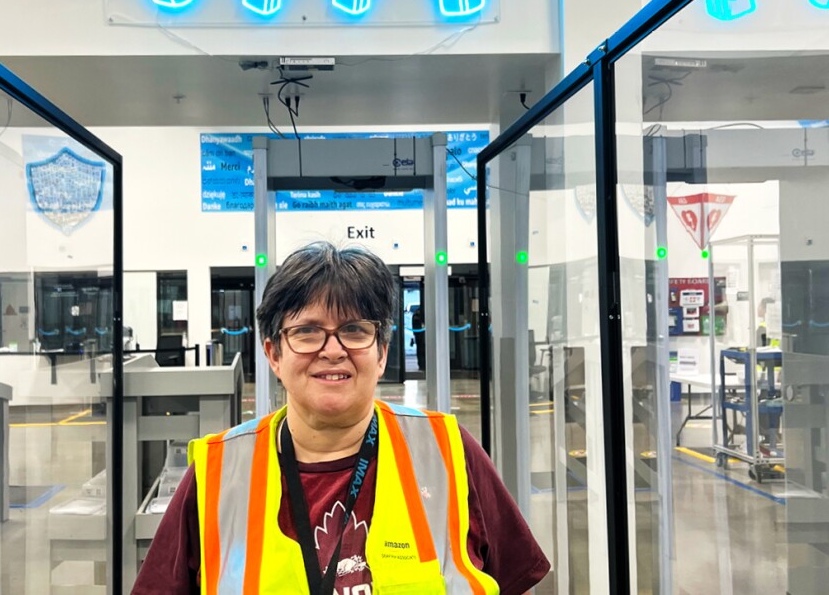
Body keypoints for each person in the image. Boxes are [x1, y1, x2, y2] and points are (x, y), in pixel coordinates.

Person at [133, 242, 550, 594]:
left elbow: (516, 578)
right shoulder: (218, 473)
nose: (332, 350)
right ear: (273, 354)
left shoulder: (448, 451)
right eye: (307, 331)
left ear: (382, 352)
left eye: (354, 330)